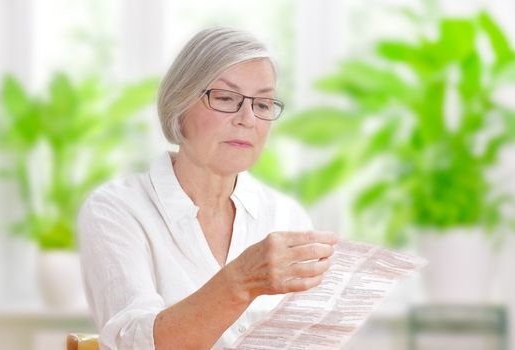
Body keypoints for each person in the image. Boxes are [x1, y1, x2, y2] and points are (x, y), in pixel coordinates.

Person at [77, 27, 337, 350]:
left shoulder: (287, 215)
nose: (248, 118)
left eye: (264, 104)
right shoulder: (116, 211)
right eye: (226, 98)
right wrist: (241, 279)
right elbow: (134, 344)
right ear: (180, 105)